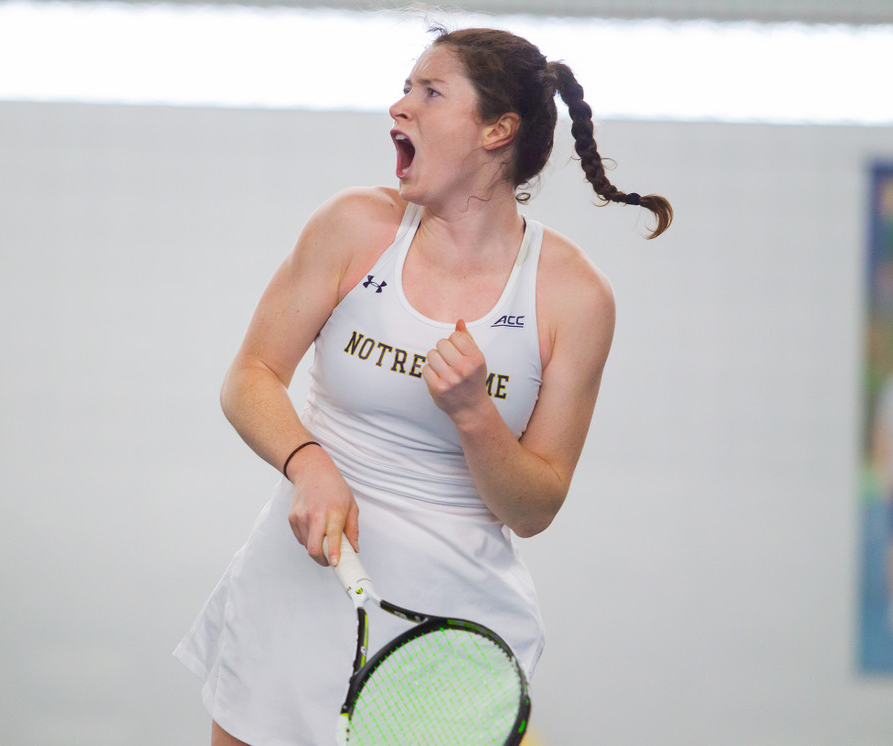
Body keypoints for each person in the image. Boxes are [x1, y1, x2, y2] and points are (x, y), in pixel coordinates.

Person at [174, 26, 672, 745]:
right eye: (406, 87)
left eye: (429, 92)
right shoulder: (353, 226)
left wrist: (475, 414)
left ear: (497, 131)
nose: (399, 107)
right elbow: (248, 378)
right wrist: (308, 464)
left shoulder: (574, 297)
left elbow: (533, 507)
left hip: (453, 630)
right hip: (299, 587)